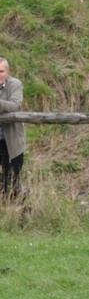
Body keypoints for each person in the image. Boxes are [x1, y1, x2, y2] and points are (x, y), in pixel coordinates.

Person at [0, 58, 25, 200]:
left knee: (12, 178)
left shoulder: (15, 84)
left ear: (7, 72)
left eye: (1, 71)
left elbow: (15, 105)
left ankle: (13, 205)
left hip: (11, 140)